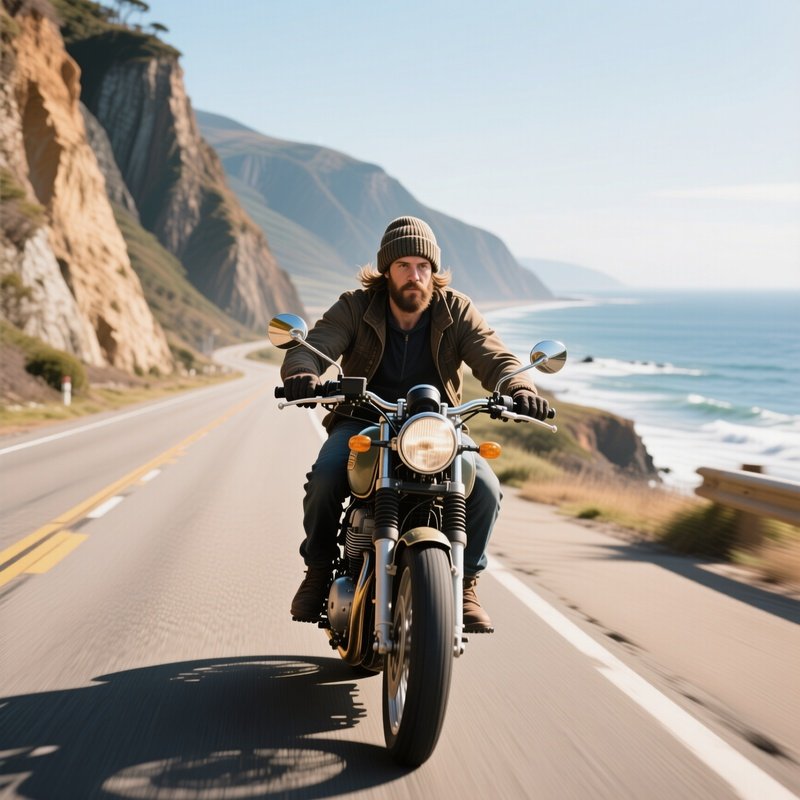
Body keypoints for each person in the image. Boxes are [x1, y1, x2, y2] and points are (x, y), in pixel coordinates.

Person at [280, 216, 550, 633]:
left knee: (487, 488)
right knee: (326, 476)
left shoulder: (455, 309)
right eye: (404, 265)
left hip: (438, 427)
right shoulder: (355, 306)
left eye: (423, 266)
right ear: (386, 270)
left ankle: (466, 585)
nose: (415, 275)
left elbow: (494, 355)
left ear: (434, 271)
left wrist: (518, 385)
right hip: (365, 421)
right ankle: (317, 572)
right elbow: (316, 346)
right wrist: (303, 371)